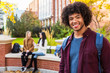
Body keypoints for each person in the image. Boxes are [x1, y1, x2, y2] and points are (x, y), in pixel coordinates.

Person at [59, 2, 110, 73]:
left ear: (84, 17)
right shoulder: (66, 43)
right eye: (71, 18)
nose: (74, 21)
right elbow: (62, 67)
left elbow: (108, 68)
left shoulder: (100, 41)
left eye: (78, 17)